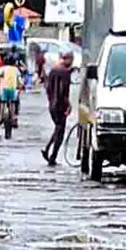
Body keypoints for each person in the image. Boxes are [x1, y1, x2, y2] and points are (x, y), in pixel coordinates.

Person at [41, 34, 77, 170]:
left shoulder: (53, 70)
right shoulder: (65, 73)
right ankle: (52, 157)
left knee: (58, 128)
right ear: (67, 58)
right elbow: (64, 91)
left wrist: (51, 101)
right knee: (60, 132)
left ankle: (47, 149)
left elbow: (48, 88)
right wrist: (68, 105)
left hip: (52, 105)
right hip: (60, 106)